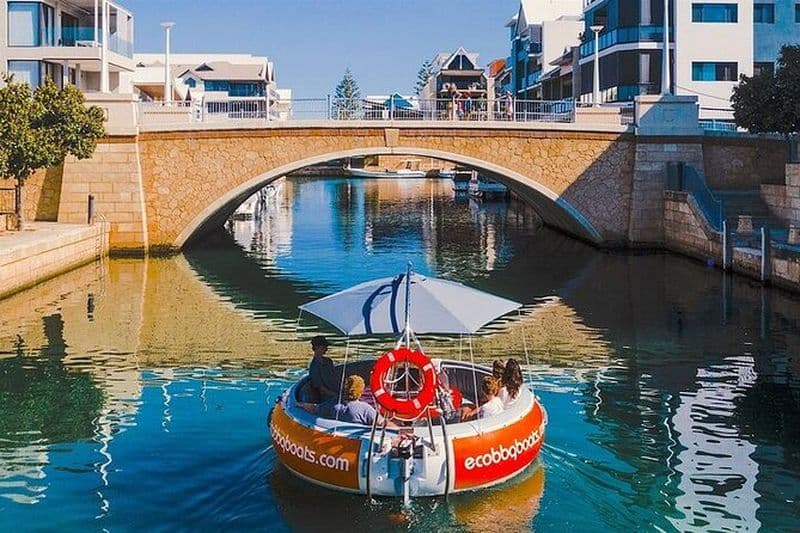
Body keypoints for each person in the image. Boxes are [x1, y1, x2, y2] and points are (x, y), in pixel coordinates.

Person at [306, 336, 338, 402]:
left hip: (335, 391)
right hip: (327, 397)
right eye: (324, 347)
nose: (326, 349)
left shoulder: (328, 361)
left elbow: (335, 378)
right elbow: (321, 389)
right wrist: (336, 395)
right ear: (316, 348)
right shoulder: (314, 367)